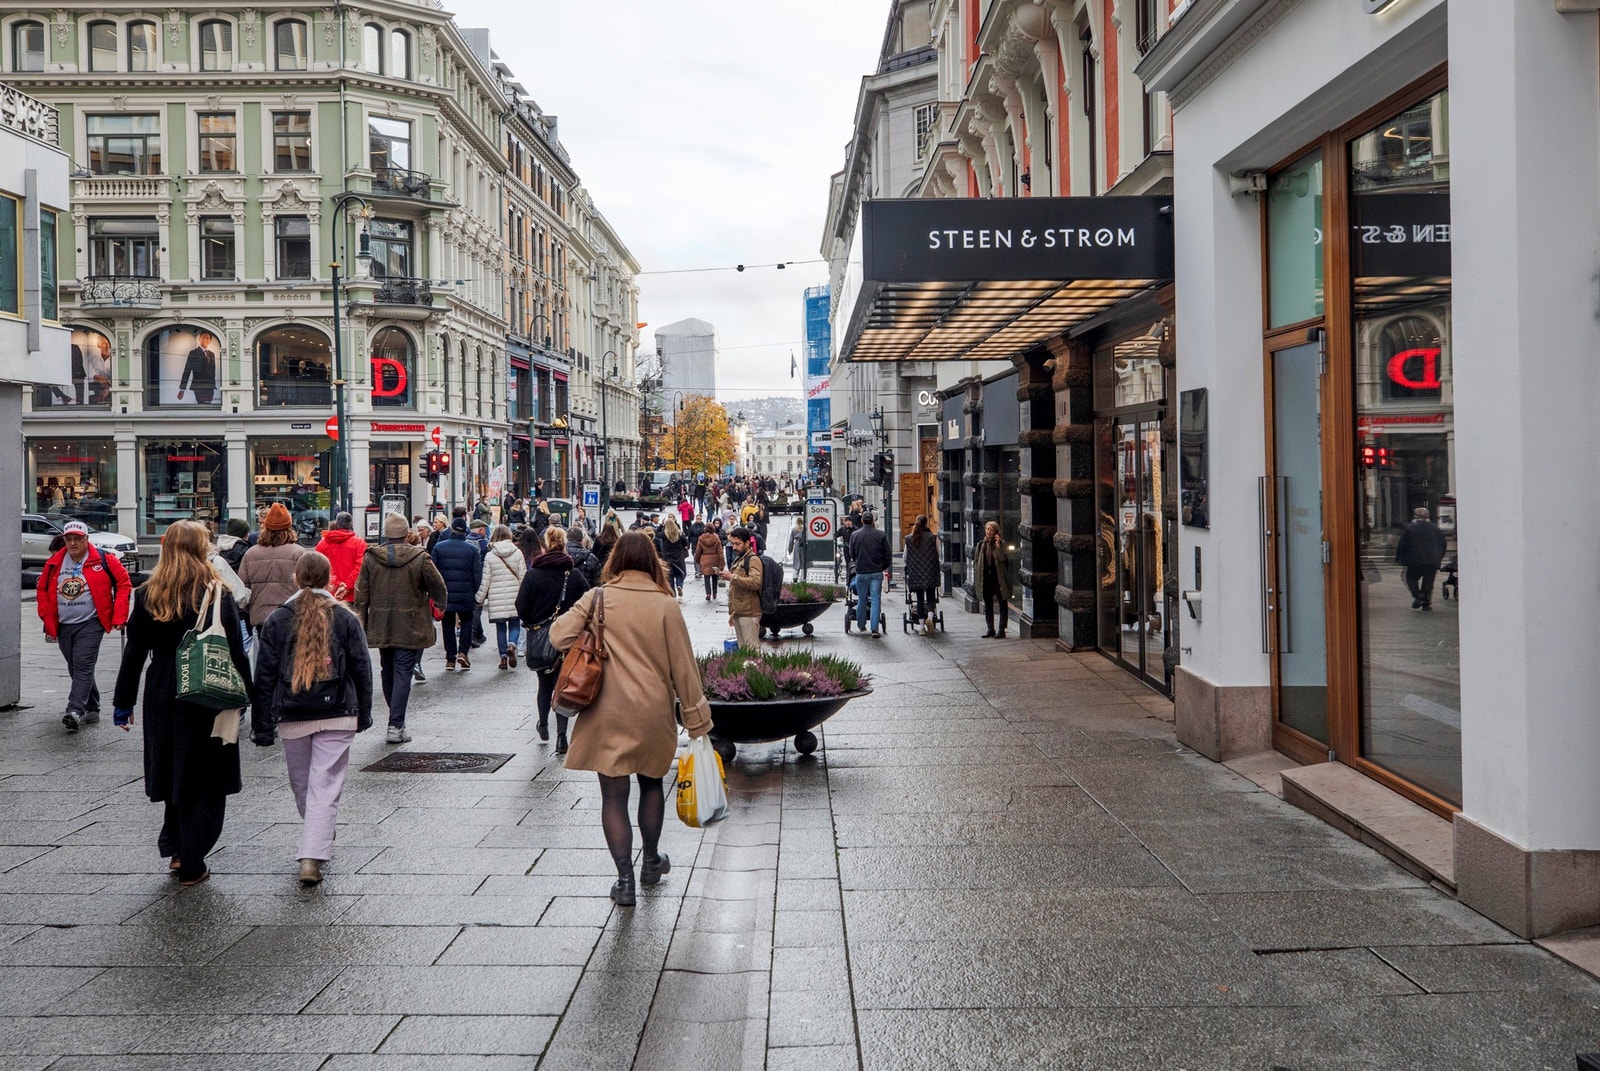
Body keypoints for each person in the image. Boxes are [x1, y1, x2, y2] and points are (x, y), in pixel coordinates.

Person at [548, 532, 713, 906]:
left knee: (613, 796)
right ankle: (651, 861)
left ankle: (624, 881)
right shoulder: (666, 605)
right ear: (653, 562)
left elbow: (558, 637)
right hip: (652, 713)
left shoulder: (598, 598)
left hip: (606, 712)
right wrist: (697, 721)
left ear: (616, 561)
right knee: (652, 785)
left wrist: (590, 628)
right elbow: (684, 669)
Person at [112, 520, 254, 886]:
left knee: (173, 766)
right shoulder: (215, 592)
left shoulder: (149, 592)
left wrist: (123, 703)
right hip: (206, 687)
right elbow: (235, 651)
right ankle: (192, 860)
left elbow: (134, 651)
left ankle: (175, 848)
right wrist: (249, 695)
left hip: (162, 687)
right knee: (206, 777)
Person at [250, 552, 374, 885]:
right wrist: (364, 711)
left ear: (296, 577)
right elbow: (361, 668)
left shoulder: (278, 618)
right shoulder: (345, 617)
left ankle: (314, 844)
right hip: (338, 712)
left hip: (293, 714)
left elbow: (264, 675)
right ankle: (313, 850)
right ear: (328, 578)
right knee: (324, 786)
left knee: (303, 785)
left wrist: (262, 724)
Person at [354, 512, 448, 743]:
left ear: (386, 533)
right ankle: (396, 724)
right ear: (406, 533)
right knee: (403, 671)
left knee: (387, 669)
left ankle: (396, 720)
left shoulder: (371, 558)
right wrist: (441, 604)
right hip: (411, 623)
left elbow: (361, 594)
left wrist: (361, 622)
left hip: (380, 622)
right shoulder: (420, 557)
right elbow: (438, 586)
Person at [37, 519, 132, 732]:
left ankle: (74, 711)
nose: (73, 543)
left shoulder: (104, 559)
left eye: (77, 539)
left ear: (86, 539)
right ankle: (92, 707)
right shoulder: (54, 562)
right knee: (76, 667)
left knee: (82, 665)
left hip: (91, 622)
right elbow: (42, 589)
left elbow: (124, 584)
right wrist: (45, 615)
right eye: (69, 539)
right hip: (63, 623)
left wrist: (119, 615)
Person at [517, 526, 591, 755]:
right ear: (564, 544)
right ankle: (561, 736)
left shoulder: (533, 574)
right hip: (568, 639)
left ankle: (543, 723)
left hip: (542, 638)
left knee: (544, 683)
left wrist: (532, 623)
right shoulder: (573, 574)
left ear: (545, 545)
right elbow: (588, 603)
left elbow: (521, 606)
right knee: (563, 684)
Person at [237, 503, 308, 634]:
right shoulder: (298, 553)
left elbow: (242, 591)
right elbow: (307, 588)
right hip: (291, 617)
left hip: (261, 619)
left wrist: (254, 608)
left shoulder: (251, 554)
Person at [430, 517, 482, 669]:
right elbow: (477, 574)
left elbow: (433, 572)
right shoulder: (472, 549)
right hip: (466, 592)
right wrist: (473, 591)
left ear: (451, 529)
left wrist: (436, 592)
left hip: (445, 593)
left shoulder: (439, 547)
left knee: (447, 624)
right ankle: (463, 653)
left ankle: (450, 659)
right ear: (465, 532)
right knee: (467, 621)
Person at [477, 524, 527, 669]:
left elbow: (485, 580)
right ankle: (512, 644)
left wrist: (480, 598)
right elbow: (523, 577)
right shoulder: (517, 552)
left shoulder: (490, 555)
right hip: (515, 595)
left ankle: (503, 658)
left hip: (496, 597)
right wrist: (526, 595)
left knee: (500, 628)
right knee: (515, 623)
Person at [1395, 506, 1448, 611]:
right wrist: (1439, 557)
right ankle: (1426, 603)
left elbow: (1402, 544)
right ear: (1428, 516)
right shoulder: (1436, 529)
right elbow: (1443, 545)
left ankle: (1418, 595)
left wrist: (1400, 557)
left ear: (1415, 516)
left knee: (1410, 578)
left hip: (1415, 560)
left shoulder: (1410, 528)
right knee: (1428, 581)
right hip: (1433, 560)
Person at [721, 526, 765, 649]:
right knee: (743, 649)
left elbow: (755, 582)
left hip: (749, 612)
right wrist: (733, 613)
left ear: (747, 543)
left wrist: (732, 577)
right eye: (733, 544)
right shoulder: (739, 558)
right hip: (739, 611)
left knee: (752, 649)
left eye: (738, 544)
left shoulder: (753, 559)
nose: (734, 547)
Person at [849, 513, 891, 638]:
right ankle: (874, 629)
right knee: (875, 599)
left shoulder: (855, 535)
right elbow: (887, 554)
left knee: (862, 599)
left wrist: (858, 562)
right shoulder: (881, 535)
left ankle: (861, 624)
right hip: (876, 571)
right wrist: (882, 566)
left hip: (861, 571)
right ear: (873, 520)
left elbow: (852, 553)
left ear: (862, 520)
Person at [314, 512, 367, 602]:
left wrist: (336, 584)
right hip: (353, 594)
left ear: (336, 524)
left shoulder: (322, 544)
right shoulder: (359, 543)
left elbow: (319, 568)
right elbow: (360, 567)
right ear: (351, 525)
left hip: (329, 593)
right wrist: (346, 586)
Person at [903, 515, 941, 636]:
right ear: (927, 523)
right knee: (930, 598)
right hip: (930, 572)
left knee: (919, 600)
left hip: (916, 573)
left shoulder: (909, 538)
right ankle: (929, 617)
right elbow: (939, 554)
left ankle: (921, 627)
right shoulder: (933, 537)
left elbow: (905, 558)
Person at [974, 520, 1013, 638]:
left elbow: (1003, 558)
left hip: (998, 577)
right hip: (986, 578)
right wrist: (977, 573)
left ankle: (1002, 629)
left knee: (1002, 602)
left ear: (996, 532)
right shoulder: (981, 544)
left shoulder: (1001, 544)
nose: (988, 532)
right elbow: (976, 561)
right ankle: (990, 628)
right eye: (987, 529)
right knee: (988, 604)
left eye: (991, 530)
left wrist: (998, 545)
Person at [177, 330, 219, 404]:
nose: (205, 339)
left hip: (210, 387)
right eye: (203, 337)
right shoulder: (193, 353)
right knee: (201, 405)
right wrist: (182, 389)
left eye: (207, 338)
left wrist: (213, 385)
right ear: (199, 339)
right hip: (198, 386)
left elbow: (213, 371)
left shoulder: (212, 354)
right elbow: (187, 371)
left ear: (210, 341)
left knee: (209, 405)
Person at [656, 515, 690, 601]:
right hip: (678, 557)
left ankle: (672, 593)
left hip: (668, 557)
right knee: (679, 573)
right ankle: (679, 585)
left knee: (670, 576)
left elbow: (656, 533)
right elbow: (685, 543)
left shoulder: (664, 534)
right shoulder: (680, 533)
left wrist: (661, 525)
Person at [696, 520, 725, 601]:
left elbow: (698, 551)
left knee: (706, 577)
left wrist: (697, 561)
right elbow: (720, 552)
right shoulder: (716, 538)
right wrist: (722, 563)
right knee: (715, 576)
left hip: (705, 559)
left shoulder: (701, 538)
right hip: (715, 559)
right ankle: (714, 593)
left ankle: (708, 593)